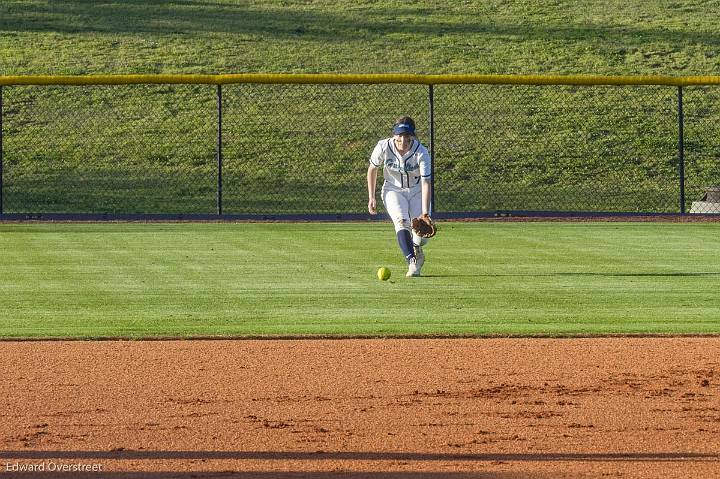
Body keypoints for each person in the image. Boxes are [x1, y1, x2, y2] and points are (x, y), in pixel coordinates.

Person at [367, 116, 433, 277]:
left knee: (421, 236)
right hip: (392, 189)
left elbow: (426, 183)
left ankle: (417, 248)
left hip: (417, 190)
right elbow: (372, 169)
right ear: (394, 134)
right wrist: (372, 197)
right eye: (400, 135)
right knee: (401, 221)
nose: (403, 139)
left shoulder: (421, 152)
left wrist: (424, 212)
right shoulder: (384, 146)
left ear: (412, 135)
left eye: (407, 135)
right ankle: (412, 262)